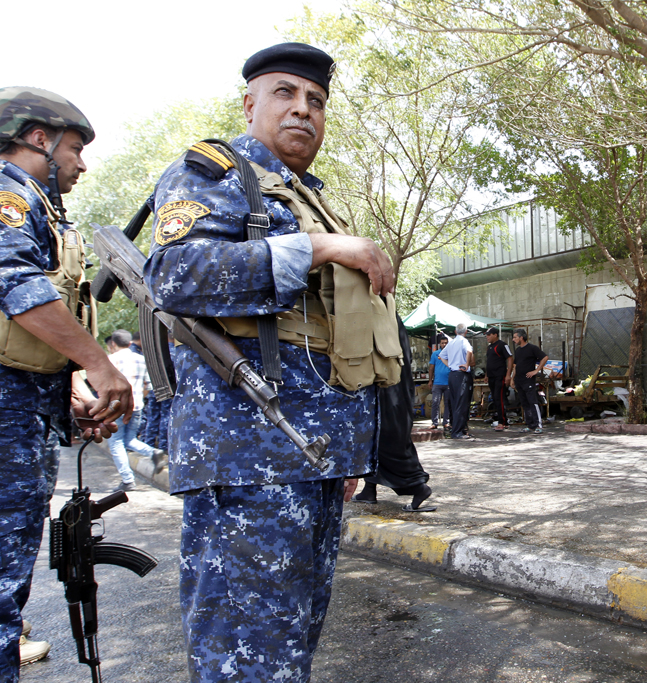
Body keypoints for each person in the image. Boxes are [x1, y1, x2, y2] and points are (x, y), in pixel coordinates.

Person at [143, 43, 400, 682]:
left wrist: (344, 454)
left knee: (290, 646)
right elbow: (176, 277)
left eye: (315, 100)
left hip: (309, 456)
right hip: (247, 456)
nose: (303, 110)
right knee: (246, 651)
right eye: (285, 93)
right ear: (250, 102)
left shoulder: (300, 195)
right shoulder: (215, 173)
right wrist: (313, 247)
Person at [0, 87, 132, 677]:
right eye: (75, 148)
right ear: (38, 140)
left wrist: (70, 389)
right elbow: (15, 286)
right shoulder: (8, 194)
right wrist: (99, 364)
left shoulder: (37, 205)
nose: (81, 163)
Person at [352, 317, 435, 512]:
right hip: (391, 388)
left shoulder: (381, 318)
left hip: (388, 389)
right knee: (374, 440)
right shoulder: (387, 316)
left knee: (387, 440)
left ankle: (418, 487)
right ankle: (369, 490)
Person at [105, 329, 166, 490]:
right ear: (130, 343)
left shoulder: (110, 360)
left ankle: (127, 480)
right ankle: (153, 452)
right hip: (137, 406)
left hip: (116, 407)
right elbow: (148, 387)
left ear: (113, 344)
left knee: (116, 443)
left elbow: (105, 387)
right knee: (129, 439)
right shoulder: (141, 360)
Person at [439, 323, 474, 439]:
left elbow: (441, 355)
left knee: (455, 403)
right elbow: (469, 351)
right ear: (466, 331)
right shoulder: (464, 341)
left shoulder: (451, 343)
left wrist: (450, 365)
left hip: (453, 374)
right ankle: (458, 431)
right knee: (462, 403)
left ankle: (458, 429)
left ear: (455, 331)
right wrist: (467, 364)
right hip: (462, 374)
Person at [511, 328, 548, 434]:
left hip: (528, 380)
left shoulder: (532, 348)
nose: (513, 340)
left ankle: (538, 425)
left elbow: (545, 357)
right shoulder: (518, 351)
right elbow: (515, 366)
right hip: (519, 380)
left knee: (532, 402)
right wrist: (512, 379)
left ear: (521, 337)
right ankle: (530, 425)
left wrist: (536, 370)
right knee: (524, 403)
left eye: (515, 337)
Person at [485, 327, 513, 431]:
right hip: (491, 376)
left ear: (495, 335)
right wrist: (486, 375)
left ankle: (502, 421)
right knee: (494, 398)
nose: (487, 337)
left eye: (489, 335)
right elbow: (489, 361)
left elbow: (510, 358)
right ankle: (501, 420)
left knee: (499, 397)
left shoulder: (502, 345)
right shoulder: (489, 347)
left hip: (499, 376)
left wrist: (508, 375)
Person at [428, 334, 452, 431]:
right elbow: (431, 368)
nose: (444, 344)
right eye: (442, 343)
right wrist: (430, 380)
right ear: (440, 344)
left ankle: (446, 422)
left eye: (446, 343)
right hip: (437, 383)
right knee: (435, 402)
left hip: (448, 383)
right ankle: (434, 422)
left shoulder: (451, 354)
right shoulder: (435, 354)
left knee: (447, 403)